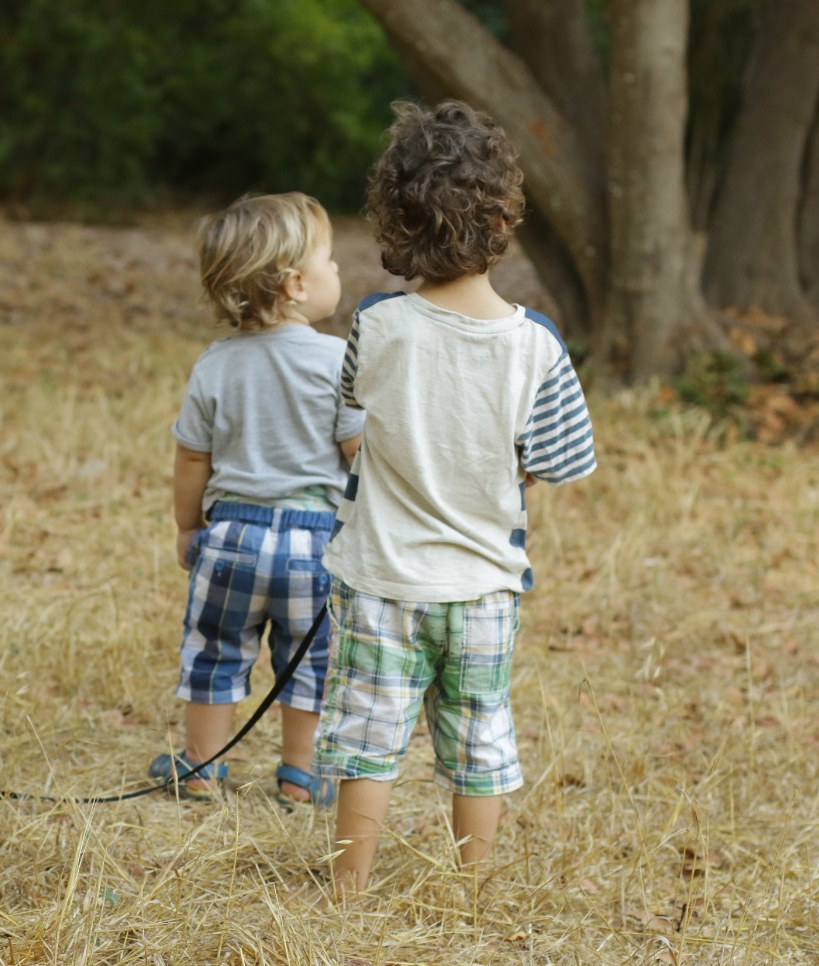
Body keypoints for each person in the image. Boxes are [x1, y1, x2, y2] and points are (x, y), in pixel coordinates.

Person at [316, 100, 597, 892]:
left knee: (368, 735)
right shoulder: (535, 345)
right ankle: (472, 885)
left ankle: (348, 884)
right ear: (505, 216)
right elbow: (554, 460)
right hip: (482, 587)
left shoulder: (377, 325)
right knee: (479, 737)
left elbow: (350, 424)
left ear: (396, 221)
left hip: (381, 577)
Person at [154, 192, 364, 803]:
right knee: (310, 662)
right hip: (315, 543)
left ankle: (201, 765)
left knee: (214, 653)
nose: (338, 272)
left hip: (230, 539)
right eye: (330, 260)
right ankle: (301, 775)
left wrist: (187, 527)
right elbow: (358, 455)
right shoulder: (338, 361)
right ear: (297, 284)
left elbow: (193, 456)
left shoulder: (215, 364)